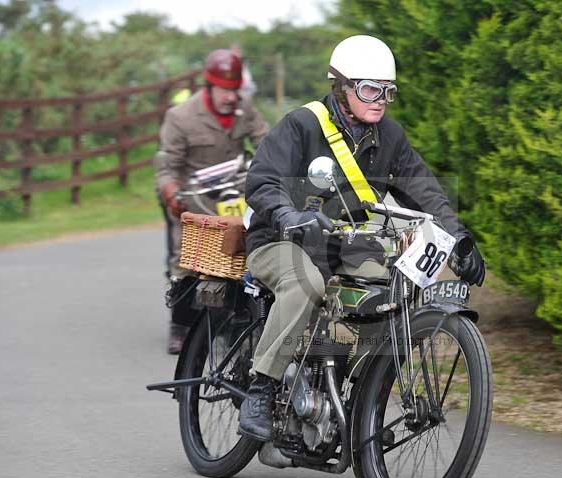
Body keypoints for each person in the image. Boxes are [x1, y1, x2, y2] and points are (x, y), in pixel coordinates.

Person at [240, 35, 486, 441]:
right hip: (282, 239)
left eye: (388, 92)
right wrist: (289, 215)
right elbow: (262, 181)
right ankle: (262, 387)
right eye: (371, 90)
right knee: (306, 283)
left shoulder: (390, 137)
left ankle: (358, 396)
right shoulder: (302, 125)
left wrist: (459, 238)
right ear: (342, 86)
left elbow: (426, 192)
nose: (381, 100)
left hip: (342, 244)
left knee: (388, 290)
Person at [156, 49, 270, 355]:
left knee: (245, 251)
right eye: (223, 90)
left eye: (234, 90)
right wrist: (171, 193)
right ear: (209, 86)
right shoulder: (180, 117)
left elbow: (266, 143)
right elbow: (167, 167)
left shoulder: (246, 108)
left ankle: (235, 320)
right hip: (194, 199)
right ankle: (180, 324)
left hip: (234, 193)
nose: (231, 97)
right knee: (186, 260)